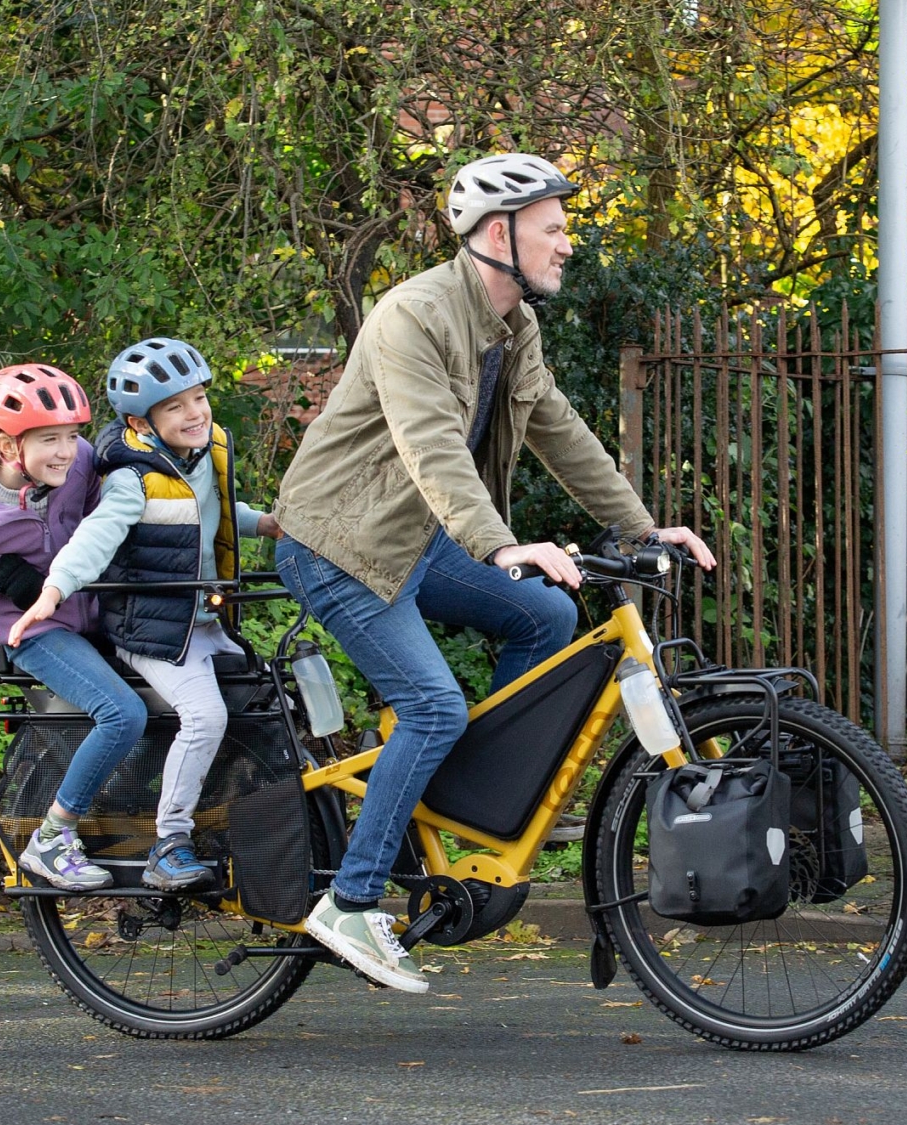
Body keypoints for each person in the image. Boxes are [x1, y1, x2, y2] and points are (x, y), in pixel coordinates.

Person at [272, 152, 717, 993]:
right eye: (554, 230)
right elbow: (428, 441)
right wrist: (499, 544)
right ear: (497, 234)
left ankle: (447, 795)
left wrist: (641, 524)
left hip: (414, 536)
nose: (567, 246)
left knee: (545, 620)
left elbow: (559, 428)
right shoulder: (413, 314)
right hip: (336, 541)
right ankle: (353, 899)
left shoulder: (514, 329)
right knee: (434, 703)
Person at [8, 337, 282, 892]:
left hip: (202, 623)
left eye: (199, 398)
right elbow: (97, 535)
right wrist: (54, 590)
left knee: (268, 696)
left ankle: (236, 816)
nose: (195, 413)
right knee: (206, 717)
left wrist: (268, 523)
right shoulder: (132, 478)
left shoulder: (203, 455)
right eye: (175, 407)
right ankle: (170, 843)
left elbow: (216, 514)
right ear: (143, 422)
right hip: (154, 631)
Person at [0, 364, 148, 892]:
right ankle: (52, 838)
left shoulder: (81, 466)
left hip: (98, 614)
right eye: (49, 440)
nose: (67, 452)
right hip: (34, 634)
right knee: (121, 714)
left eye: (71, 436)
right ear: (7, 449)